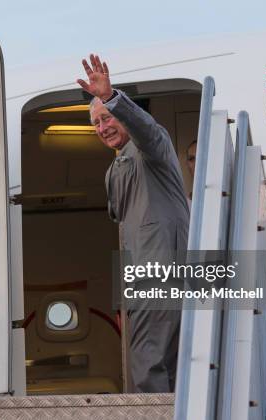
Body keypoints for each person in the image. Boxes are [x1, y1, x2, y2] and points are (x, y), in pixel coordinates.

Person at [77, 54, 190, 393]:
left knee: (148, 370)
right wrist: (122, 300)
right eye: (96, 123)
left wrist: (113, 97)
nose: (103, 127)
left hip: (163, 276)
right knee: (165, 368)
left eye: (108, 117)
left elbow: (146, 130)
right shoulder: (114, 171)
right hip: (142, 282)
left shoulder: (152, 150)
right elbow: (126, 238)